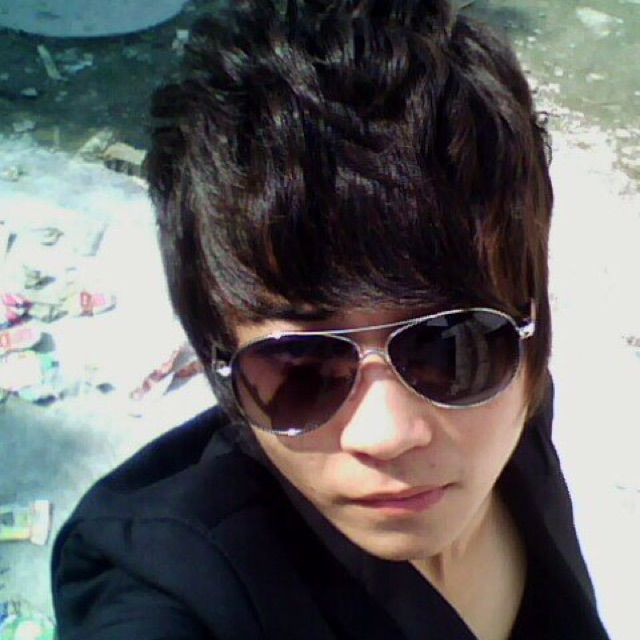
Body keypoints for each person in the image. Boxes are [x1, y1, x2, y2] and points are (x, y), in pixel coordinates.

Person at [51, 1, 612, 638]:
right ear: (220, 362)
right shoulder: (179, 582)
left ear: (529, 326)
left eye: (451, 349)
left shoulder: (515, 393)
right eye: (300, 369)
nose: (388, 435)